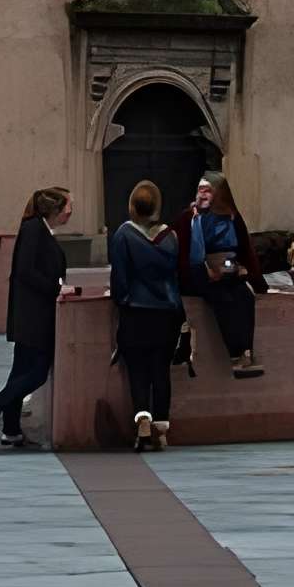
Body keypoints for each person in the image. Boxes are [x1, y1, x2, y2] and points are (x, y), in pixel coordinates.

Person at [0, 186, 69, 452]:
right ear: (55, 209)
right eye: (68, 206)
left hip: (34, 314)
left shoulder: (40, 229)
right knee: (37, 372)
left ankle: (12, 431)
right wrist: (56, 288)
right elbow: (25, 271)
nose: (71, 211)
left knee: (20, 373)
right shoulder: (33, 229)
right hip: (33, 316)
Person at [107, 178, 185, 450]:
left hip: (136, 313)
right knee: (161, 371)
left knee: (138, 371)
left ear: (132, 206)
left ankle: (142, 421)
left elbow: (120, 278)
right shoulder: (171, 237)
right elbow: (176, 274)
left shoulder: (123, 235)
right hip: (167, 312)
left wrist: (123, 299)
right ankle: (162, 427)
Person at [187, 174, 263, 379]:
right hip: (205, 270)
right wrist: (209, 271)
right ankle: (235, 354)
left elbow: (241, 249)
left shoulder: (230, 216)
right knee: (223, 300)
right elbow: (195, 252)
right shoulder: (197, 216)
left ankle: (246, 353)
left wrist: (241, 270)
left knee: (245, 298)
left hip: (229, 268)